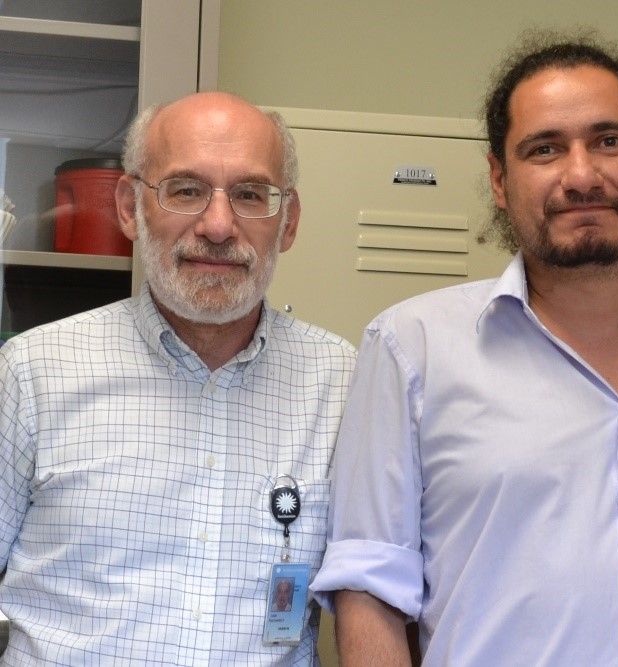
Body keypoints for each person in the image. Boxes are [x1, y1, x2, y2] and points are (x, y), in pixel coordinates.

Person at [311, 32, 618, 665]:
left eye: (609, 140)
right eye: (545, 149)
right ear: (498, 178)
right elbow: (370, 591)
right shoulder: (413, 348)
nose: (582, 174)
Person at [0, 92, 356, 665]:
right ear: (128, 208)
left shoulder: (340, 382)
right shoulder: (32, 372)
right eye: (186, 189)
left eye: (249, 194)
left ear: (287, 221)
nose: (218, 226)